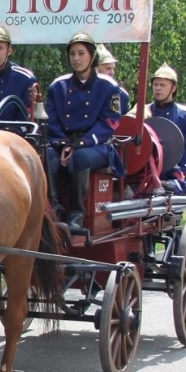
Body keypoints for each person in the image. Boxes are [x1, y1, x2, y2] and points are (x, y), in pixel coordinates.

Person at [45, 30, 125, 229]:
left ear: (92, 56)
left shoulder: (109, 87)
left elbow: (109, 123)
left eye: (81, 53)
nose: (76, 58)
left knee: (79, 158)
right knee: (46, 157)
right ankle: (52, 208)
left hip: (96, 145)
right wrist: (64, 143)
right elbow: (51, 120)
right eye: (72, 54)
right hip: (62, 142)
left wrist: (79, 144)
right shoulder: (58, 86)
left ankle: (76, 214)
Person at [147, 63, 186, 194]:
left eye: (162, 85)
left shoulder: (185, 115)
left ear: (173, 88)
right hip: (146, 173)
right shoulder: (144, 111)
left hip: (173, 174)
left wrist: (183, 179)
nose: (158, 88)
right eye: (155, 84)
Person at [95, 45, 130, 113]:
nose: (112, 73)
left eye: (113, 68)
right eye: (108, 68)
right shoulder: (82, 92)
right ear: (95, 69)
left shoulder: (122, 95)